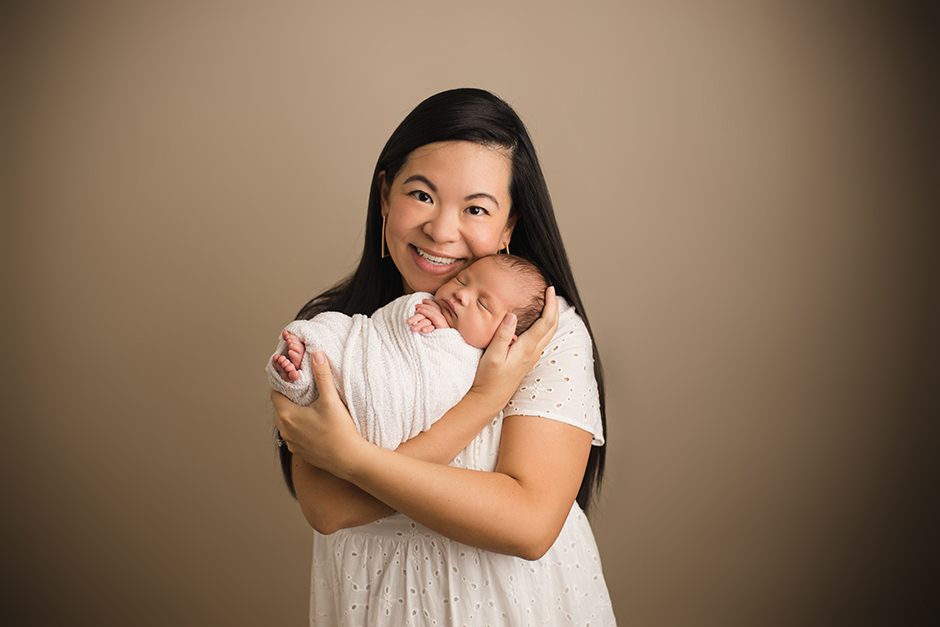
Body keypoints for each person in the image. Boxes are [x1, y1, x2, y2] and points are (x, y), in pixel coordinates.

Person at [271, 88, 616, 625]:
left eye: (476, 208)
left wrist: (354, 459)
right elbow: (329, 509)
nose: (441, 229)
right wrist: (485, 400)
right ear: (385, 195)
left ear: (509, 226)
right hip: (373, 602)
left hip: (512, 605)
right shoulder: (332, 333)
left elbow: (527, 524)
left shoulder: (542, 332)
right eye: (422, 195)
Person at [267, 254, 547, 451]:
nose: (462, 295)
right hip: (363, 353)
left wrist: (440, 338)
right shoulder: (424, 303)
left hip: (381, 396)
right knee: (332, 329)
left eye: (483, 305)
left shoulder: (476, 364)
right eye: (462, 281)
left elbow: (435, 383)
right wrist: (425, 320)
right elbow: (380, 330)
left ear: (506, 338)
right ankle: (302, 369)